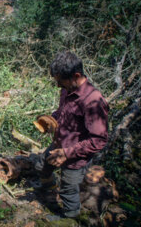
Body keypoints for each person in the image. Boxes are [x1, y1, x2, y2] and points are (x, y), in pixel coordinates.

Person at [34, 51, 109, 221]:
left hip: (76, 157)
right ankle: (48, 188)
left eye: (61, 82)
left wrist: (67, 153)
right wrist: (51, 119)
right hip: (59, 145)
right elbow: (63, 113)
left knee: (68, 189)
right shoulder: (68, 89)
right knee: (41, 166)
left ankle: (69, 217)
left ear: (76, 76)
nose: (58, 86)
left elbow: (99, 140)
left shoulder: (93, 101)